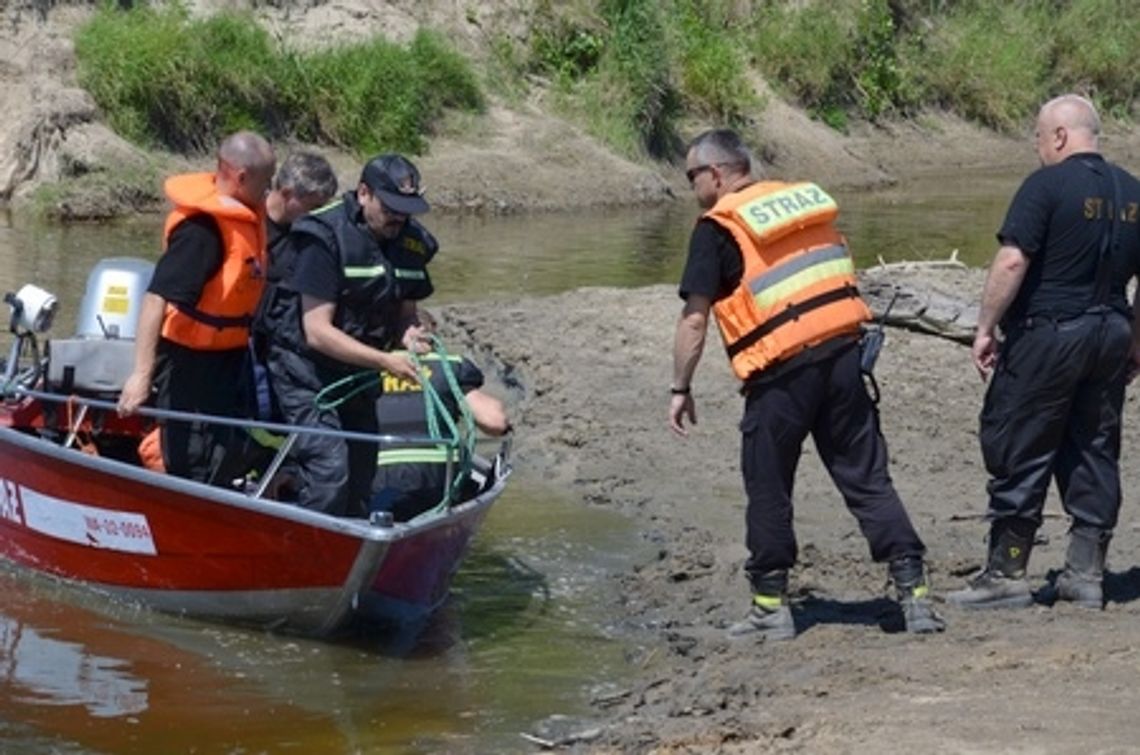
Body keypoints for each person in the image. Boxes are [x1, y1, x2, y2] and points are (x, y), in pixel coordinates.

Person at [668, 128, 943, 639]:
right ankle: (916, 596)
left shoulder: (716, 227)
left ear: (716, 173)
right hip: (843, 357)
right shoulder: (799, 203)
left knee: (769, 485)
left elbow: (694, 319)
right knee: (866, 477)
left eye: (692, 177)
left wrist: (680, 388)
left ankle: (770, 609)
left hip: (780, 375)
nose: (692, 189)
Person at [947, 94, 1140, 611]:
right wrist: (1135, 341)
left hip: (1049, 334)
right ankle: (1085, 574)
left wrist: (985, 326)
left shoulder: (1046, 185)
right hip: (1111, 334)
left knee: (1019, 443)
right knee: (1094, 448)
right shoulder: (1133, 190)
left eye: (1037, 138)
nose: (1037, 149)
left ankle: (1007, 572)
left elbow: (1012, 262)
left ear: (1059, 135)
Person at [264, 153, 436, 516]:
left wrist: (410, 336)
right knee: (330, 470)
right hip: (305, 374)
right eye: (390, 207)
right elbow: (317, 331)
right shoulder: (323, 237)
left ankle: (353, 557)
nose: (399, 218)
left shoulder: (411, 244)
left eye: (407, 209)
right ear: (363, 194)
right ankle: (305, 554)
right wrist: (386, 361)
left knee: (361, 475)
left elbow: (406, 314)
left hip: (358, 377)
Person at [118, 131, 276, 485]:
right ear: (241, 177)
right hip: (187, 361)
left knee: (226, 447)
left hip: (227, 357)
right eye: (266, 182)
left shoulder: (250, 218)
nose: (269, 191)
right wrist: (141, 375)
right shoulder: (201, 232)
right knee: (192, 455)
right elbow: (155, 298)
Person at [370, 341, 510, 522]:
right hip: (434, 480)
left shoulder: (363, 365)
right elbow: (494, 423)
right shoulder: (448, 367)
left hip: (373, 476)